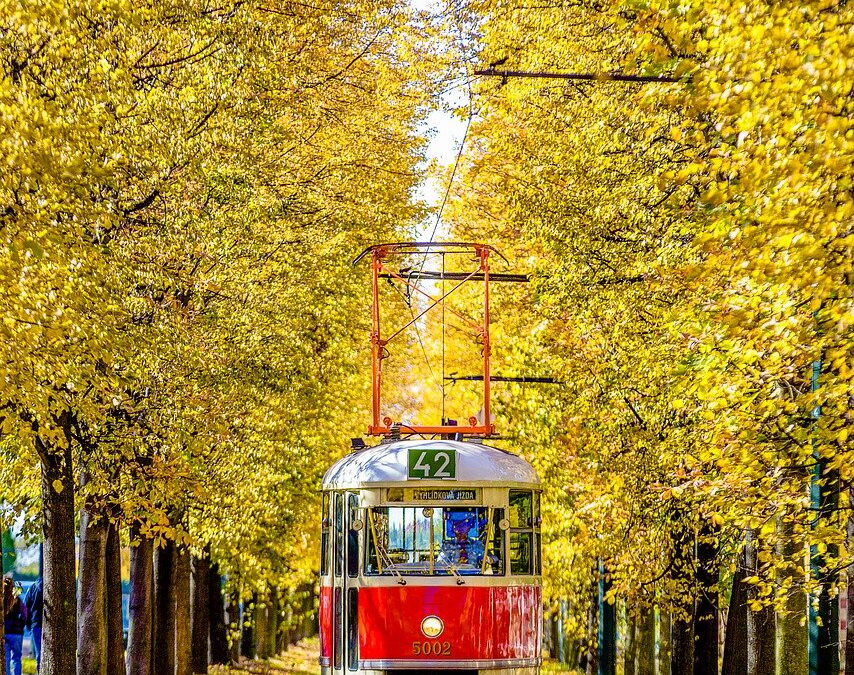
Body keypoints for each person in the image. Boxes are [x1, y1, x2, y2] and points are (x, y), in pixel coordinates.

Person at [4, 578, 27, 675]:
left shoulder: (2, 600)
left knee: (6, 658)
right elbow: (25, 615)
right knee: (17, 658)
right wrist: (21, 625)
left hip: (4, 633)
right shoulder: (17, 600)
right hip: (17, 633)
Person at [23, 576, 42, 669]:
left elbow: (25, 607)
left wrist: (28, 625)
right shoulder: (56, 586)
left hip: (36, 624)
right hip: (53, 625)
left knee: (39, 653)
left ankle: (40, 671)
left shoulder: (33, 587)